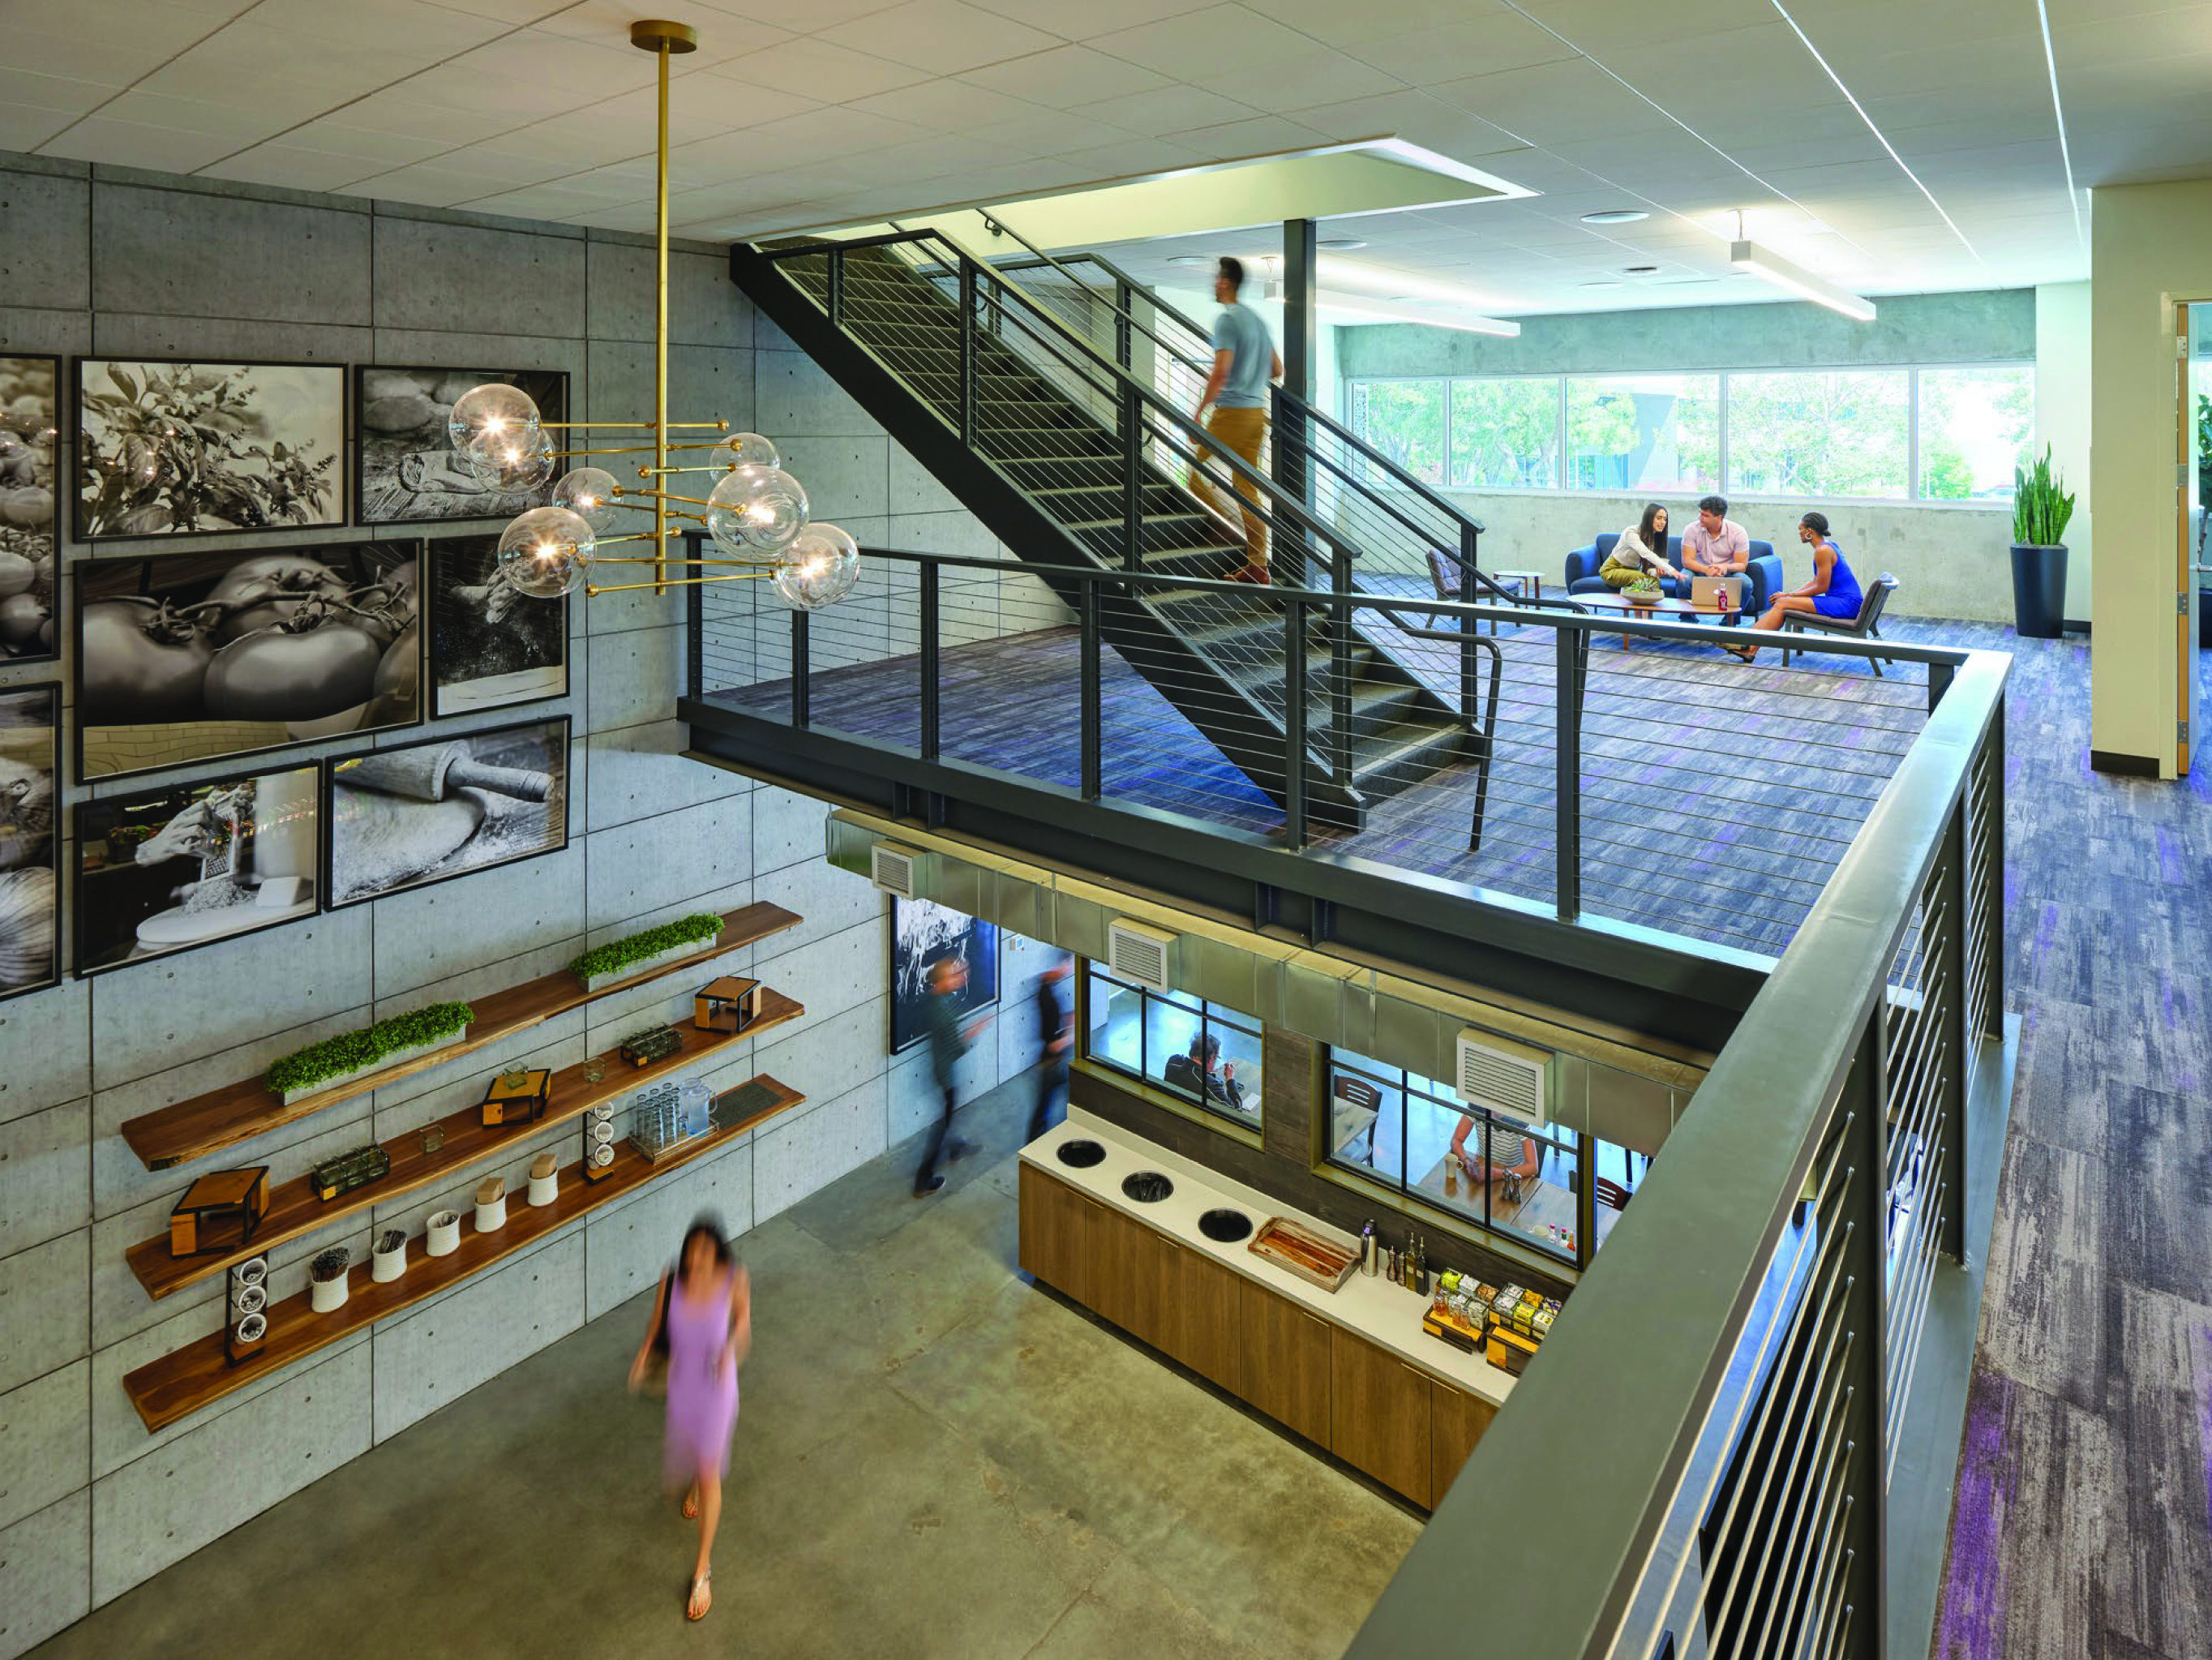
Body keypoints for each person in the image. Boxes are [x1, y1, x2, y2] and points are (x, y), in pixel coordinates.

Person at [629, 1216, 752, 1624]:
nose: (697, 1257)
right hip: (683, 1388)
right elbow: (656, 1326)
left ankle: (703, 1569)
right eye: (691, 1249)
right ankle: (697, 1487)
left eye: (705, 1249)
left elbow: (743, 1327)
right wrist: (644, 1356)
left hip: (717, 1390)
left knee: (707, 1467)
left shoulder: (734, 1279)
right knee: (691, 1458)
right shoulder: (672, 1279)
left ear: (718, 1251)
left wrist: (730, 1348)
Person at [1193, 256, 1282, 585]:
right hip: (1256, 414)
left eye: (1217, 278)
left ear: (1226, 283)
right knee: (1246, 490)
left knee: (1194, 475)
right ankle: (1258, 566)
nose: (1214, 284)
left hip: (1230, 412)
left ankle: (1223, 529)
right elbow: (1277, 369)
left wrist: (1199, 411)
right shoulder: (1257, 321)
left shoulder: (1227, 320)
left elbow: (1221, 372)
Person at [1725, 512, 1863, 663]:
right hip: (1843, 601)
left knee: (1783, 603)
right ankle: (1748, 646)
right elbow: (1816, 581)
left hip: (1847, 604)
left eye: (1801, 529)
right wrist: (1789, 595)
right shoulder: (1828, 546)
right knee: (1783, 603)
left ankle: (1747, 644)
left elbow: (1821, 587)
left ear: (1810, 531)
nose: (1800, 533)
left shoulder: (1822, 551)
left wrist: (1789, 597)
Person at [916, 953, 992, 1197]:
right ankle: (923, 1179)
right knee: (945, 1121)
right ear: (941, 981)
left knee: (950, 1115)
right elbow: (957, 1048)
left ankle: (956, 1147)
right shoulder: (942, 1012)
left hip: (943, 1068)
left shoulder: (936, 1000)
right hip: (945, 1073)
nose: (960, 979)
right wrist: (973, 1032)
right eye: (955, 976)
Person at [1027, 959, 1072, 1144]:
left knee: (1045, 1105)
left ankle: (1035, 1141)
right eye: (1066, 965)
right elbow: (1055, 1045)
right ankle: (1036, 1142)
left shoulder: (1044, 987)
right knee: (1048, 1104)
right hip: (1052, 1062)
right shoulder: (1048, 999)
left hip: (1049, 1061)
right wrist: (1072, 1030)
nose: (1068, 971)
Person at [1449, 1113, 1540, 1197]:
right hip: (1482, 1172)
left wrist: (1499, 1174)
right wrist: (1468, 1163)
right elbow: (1456, 1140)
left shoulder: (1520, 1119)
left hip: (1511, 1180)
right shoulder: (1476, 1106)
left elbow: (1533, 1167)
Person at [1598, 502, 1682, 590]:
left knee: (1654, 582)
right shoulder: (1631, 532)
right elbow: (1645, 553)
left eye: (1665, 519)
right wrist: (1671, 570)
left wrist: (1656, 573)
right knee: (1643, 579)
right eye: (1659, 518)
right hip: (1611, 570)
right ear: (1649, 518)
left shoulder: (1657, 538)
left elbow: (1647, 569)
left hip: (1633, 571)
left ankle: (1633, 602)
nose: (1662, 522)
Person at [1163, 1031, 1244, 1111]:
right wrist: (1230, 1080)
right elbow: (1236, 1109)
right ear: (1212, 1057)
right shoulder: (1210, 1084)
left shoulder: (1174, 1060)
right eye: (1217, 1057)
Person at [1679, 495, 1751, 585]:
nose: (1700, 518)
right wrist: (1706, 570)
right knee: (1683, 580)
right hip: (1699, 570)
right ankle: (1687, 600)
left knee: (1745, 583)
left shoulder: (1738, 532)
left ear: (1719, 517)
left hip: (1727, 573)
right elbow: (1687, 561)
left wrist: (1725, 567)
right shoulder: (1691, 529)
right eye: (1700, 513)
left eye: (1705, 515)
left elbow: (1742, 565)